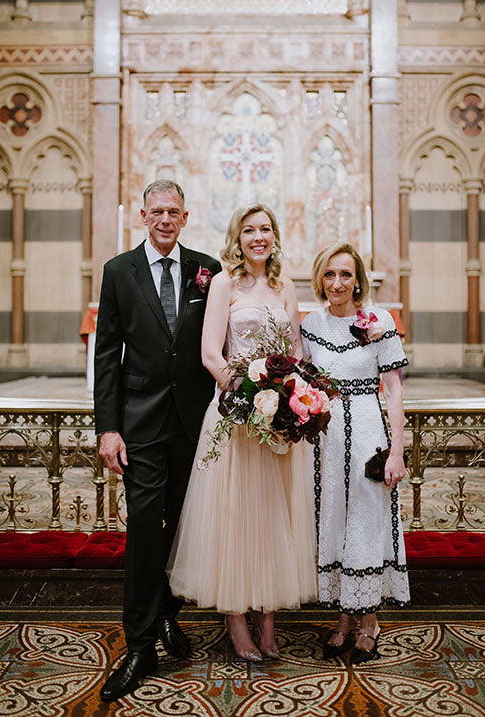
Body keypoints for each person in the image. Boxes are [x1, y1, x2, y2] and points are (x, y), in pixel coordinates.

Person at [167, 204, 317, 661]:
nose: (258, 237)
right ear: (238, 236)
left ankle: (268, 619)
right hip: (235, 415)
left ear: (274, 236)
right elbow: (211, 353)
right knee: (234, 514)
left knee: (273, 515)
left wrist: (289, 396)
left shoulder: (285, 286)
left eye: (265, 229)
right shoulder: (224, 283)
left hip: (276, 420)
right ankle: (236, 619)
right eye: (249, 229)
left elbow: (293, 349)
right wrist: (249, 392)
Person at [94, 179, 221, 702]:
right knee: (146, 526)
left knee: (183, 523)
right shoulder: (118, 272)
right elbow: (106, 355)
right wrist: (107, 426)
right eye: (157, 212)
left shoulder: (206, 269)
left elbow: (220, 340)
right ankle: (140, 644)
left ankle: (169, 614)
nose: (165, 219)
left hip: (194, 422)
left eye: (174, 212)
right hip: (141, 422)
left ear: (185, 217)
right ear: (143, 216)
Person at [301, 243, 410, 664]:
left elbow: (394, 389)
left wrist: (396, 452)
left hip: (368, 432)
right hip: (326, 439)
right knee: (336, 519)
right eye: (329, 275)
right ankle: (344, 620)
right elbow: (303, 381)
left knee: (366, 519)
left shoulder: (379, 321)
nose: (337, 283)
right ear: (319, 279)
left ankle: (370, 622)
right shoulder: (311, 325)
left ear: (358, 279)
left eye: (345, 275)